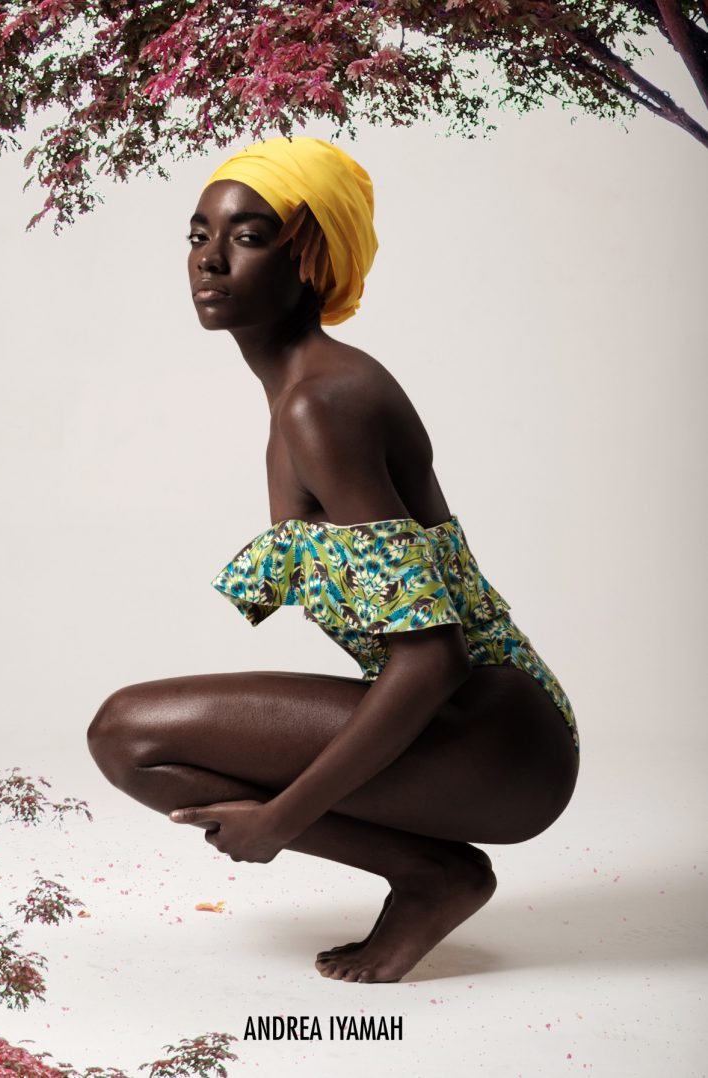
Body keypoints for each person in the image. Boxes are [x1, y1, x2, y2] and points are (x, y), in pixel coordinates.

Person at [87, 136, 580, 985]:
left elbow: (432, 660)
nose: (209, 258)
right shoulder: (300, 392)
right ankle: (431, 873)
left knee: (129, 733)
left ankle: (430, 876)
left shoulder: (323, 403)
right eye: (199, 234)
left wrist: (280, 821)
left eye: (248, 236)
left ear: (312, 258)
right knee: (129, 737)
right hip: (486, 729)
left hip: (501, 741)